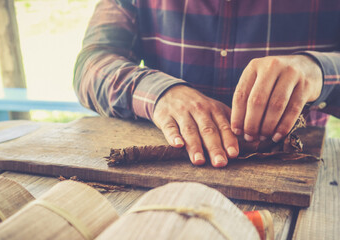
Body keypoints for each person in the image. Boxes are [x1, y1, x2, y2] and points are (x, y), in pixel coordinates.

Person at [74, 0, 340, 168]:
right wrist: (161, 93)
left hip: (297, 172)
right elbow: (92, 63)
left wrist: (321, 70)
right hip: (158, 177)